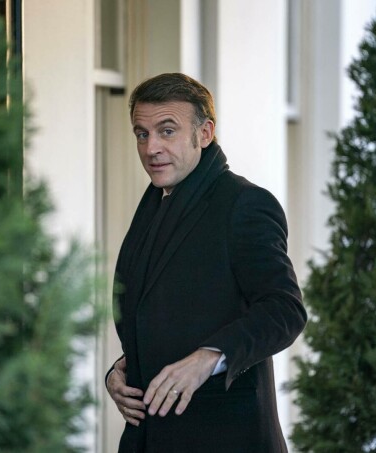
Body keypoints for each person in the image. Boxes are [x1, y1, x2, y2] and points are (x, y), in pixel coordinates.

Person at [106, 72, 307, 453]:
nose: (151, 148)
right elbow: (163, 315)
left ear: (205, 133)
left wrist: (208, 358)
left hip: (226, 438)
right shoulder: (155, 202)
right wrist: (121, 371)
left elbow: (285, 311)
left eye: (167, 131)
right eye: (142, 134)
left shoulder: (245, 204)